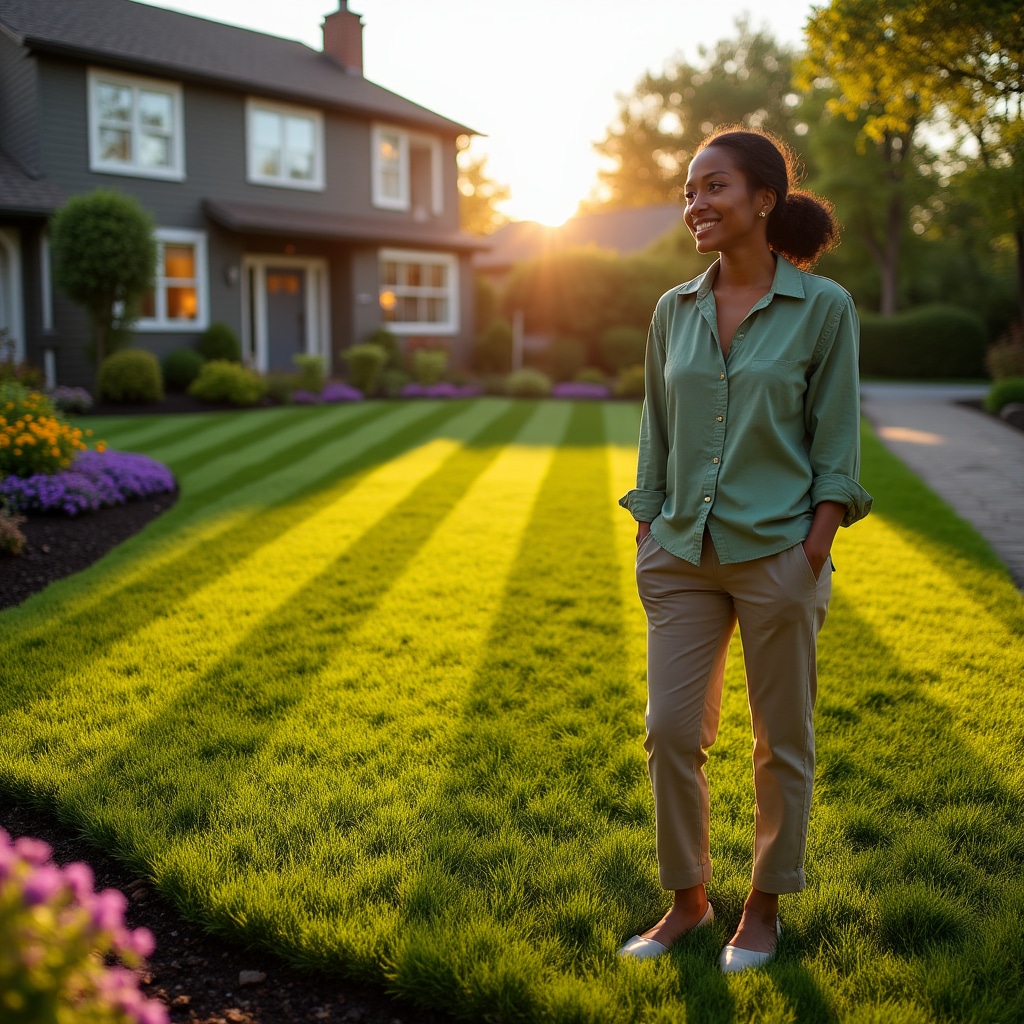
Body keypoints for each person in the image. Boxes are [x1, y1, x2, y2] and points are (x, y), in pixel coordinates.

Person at [616, 127, 872, 973]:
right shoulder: (673, 310)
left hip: (778, 555)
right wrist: (649, 521)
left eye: (713, 187)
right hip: (681, 551)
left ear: (764, 200)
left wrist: (814, 546)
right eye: (690, 189)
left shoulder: (824, 309)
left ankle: (761, 908)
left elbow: (837, 443)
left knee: (781, 741)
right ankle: (688, 900)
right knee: (670, 731)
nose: (696, 203)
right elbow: (656, 422)